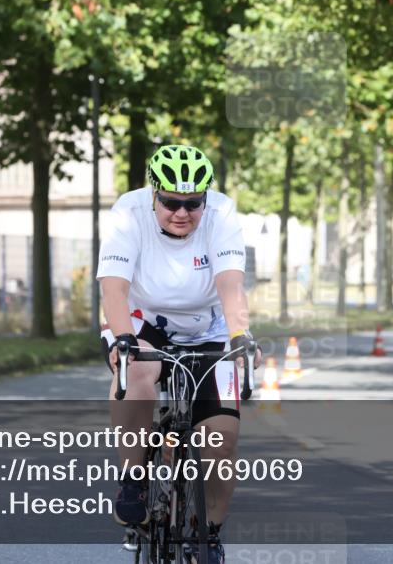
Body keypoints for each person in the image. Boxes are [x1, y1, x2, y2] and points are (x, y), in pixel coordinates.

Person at [96, 144, 260, 564]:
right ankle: (133, 479)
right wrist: (122, 339)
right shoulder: (128, 212)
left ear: (205, 198)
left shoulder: (222, 213)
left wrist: (240, 335)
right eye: (170, 202)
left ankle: (210, 533)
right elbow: (113, 287)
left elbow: (230, 284)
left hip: (209, 329)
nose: (182, 212)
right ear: (154, 194)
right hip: (141, 322)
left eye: (192, 203)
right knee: (137, 371)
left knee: (221, 440)